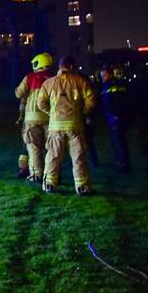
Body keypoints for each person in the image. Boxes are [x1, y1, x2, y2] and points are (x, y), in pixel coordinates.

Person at [35, 55, 96, 195]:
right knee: (78, 156)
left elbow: (40, 103)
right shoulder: (80, 81)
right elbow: (91, 101)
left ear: (59, 66)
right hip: (75, 126)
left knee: (53, 156)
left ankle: (50, 184)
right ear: (72, 66)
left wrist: (52, 113)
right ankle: (82, 187)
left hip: (56, 126)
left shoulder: (49, 83)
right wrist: (82, 112)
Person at [14, 52, 53, 182]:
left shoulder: (30, 77)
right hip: (50, 119)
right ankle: (52, 175)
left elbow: (19, 94)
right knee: (50, 149)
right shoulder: (54, 79)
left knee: (33, 148)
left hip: (32, 119)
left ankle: (36, 175)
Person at [98, 64, 132, 172]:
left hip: (116, 117)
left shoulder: (114, 84)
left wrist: (117, 114)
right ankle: (119, 161)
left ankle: (123, 165)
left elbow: (120, 100)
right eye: (101, 76)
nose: (102, 77)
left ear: (111, 74)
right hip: (111, 116)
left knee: (120, 141)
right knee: (116, 141)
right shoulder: (106, 85)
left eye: (104, 75)